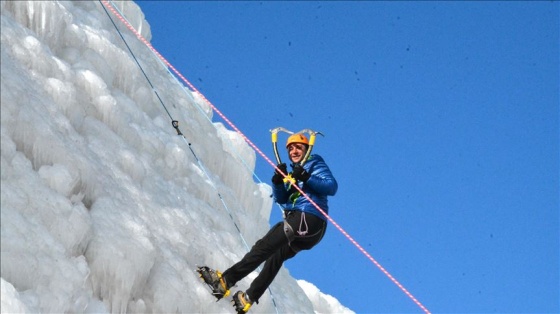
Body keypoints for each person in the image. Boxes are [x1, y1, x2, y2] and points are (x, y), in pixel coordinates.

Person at [198, 133, 338, 313]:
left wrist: (305, 176)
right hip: (310, 232)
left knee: (264, 246)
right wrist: (278, 182)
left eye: (298, 147)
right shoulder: (294, 173)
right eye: (291, 148)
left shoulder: (313, 162)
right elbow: (282, 199)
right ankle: (248, 298)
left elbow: (331, 186)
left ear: (306, 149)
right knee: (275, 256)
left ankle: (224, 281)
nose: (294, 151)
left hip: (308, 218)